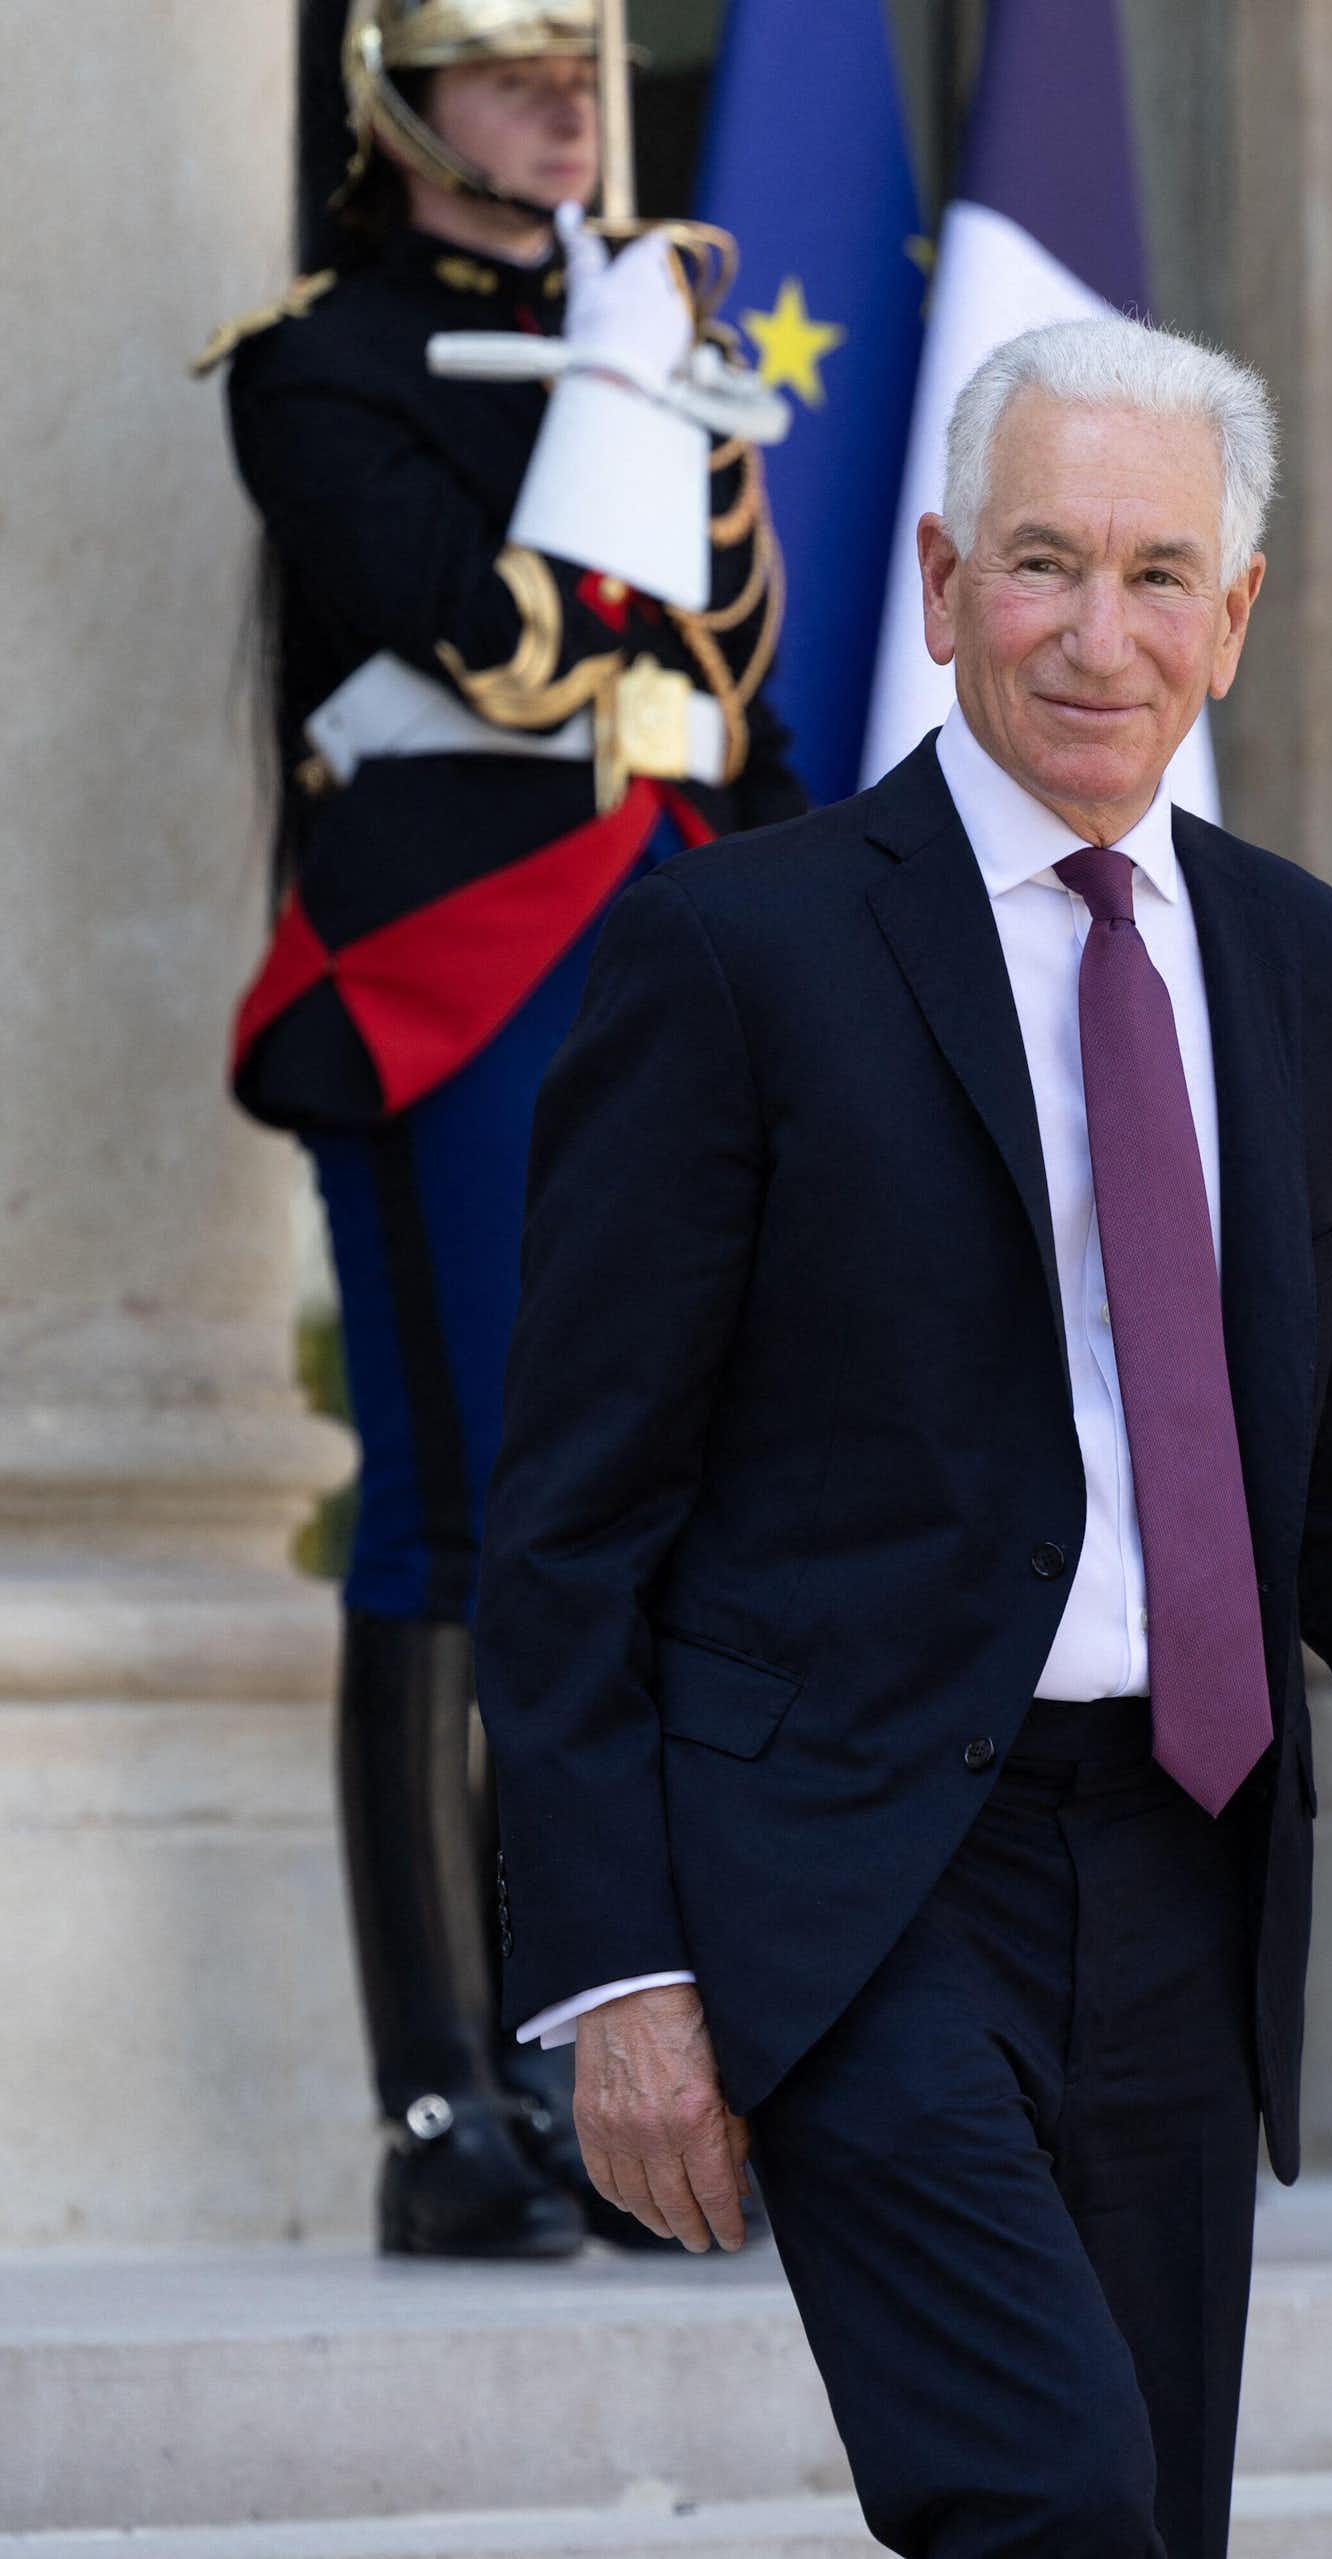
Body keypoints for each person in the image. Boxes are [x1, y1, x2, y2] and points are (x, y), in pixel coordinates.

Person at [472, 313, 1332, 2559]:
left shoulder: (1320, 979)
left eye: (1153, 575)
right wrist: (619, 1973)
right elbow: (565, 1518)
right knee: (1051, 2499)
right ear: (937, 584)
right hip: (850, 1877)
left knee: (1152, 2521)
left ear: (1231, 616)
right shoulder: (734, 954)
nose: (1093, 634)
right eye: (1040, 565)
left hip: (1181, 1874)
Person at [196, 0, 803, 2258]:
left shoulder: (641, 319)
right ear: (392, 98)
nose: (567, 101)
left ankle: (630, 2057)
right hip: (459, 967)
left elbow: (727, 671)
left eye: (584, 67)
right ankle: (443, 2094)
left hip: (680, 936)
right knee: (464, 1510)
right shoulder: (325, 355)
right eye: (511, 67)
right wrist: (630, 404)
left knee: (690, 1500)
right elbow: (473, 628)